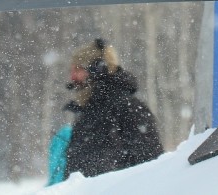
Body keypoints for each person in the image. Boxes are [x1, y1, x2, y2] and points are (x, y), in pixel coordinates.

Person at [59, 39, 163, 180]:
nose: (72, 77)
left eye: (78, 69)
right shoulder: (87, 114)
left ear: (98, 68)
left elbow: (152, 173)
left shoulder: (130, 109)